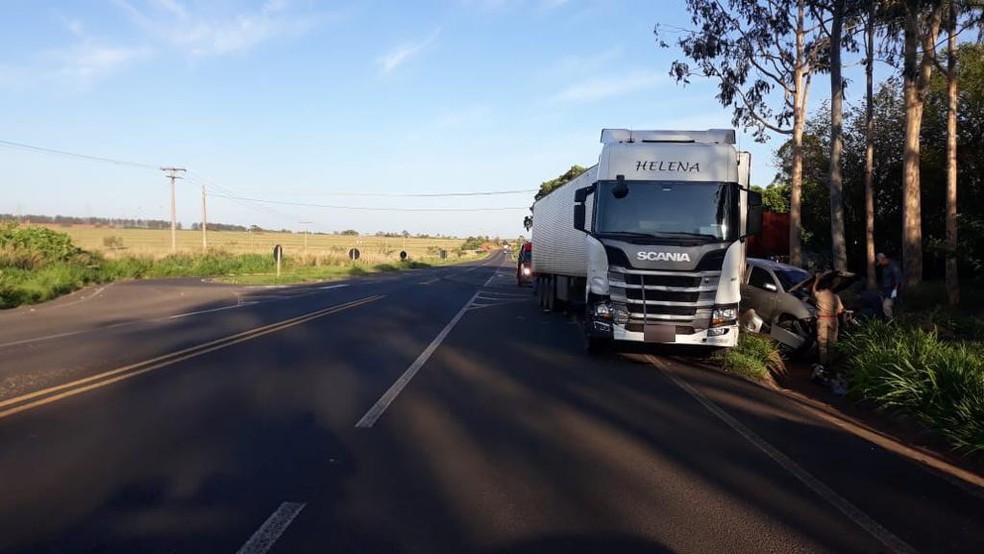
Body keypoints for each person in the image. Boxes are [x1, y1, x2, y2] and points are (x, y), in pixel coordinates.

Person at [812, 271, 844, 369]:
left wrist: (816, 280)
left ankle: (823, 364)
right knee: (832, 343)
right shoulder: (836, 297)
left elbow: (813, 292)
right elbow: (840, 310)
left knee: (822, 344)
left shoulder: (819, 295)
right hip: (833, 320)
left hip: (822, 320)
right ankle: (831, 364)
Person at [876, 252, 903, 318]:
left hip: (892, 290)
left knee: (886, 305)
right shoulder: (885, 268)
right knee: (882, 304)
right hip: (886, 290)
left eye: (880, 262)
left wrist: (895, 291)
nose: (881, 264)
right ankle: (889, 318)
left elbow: (898, 279)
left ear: (883, 259)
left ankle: (890, 320)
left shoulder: (894, 265)